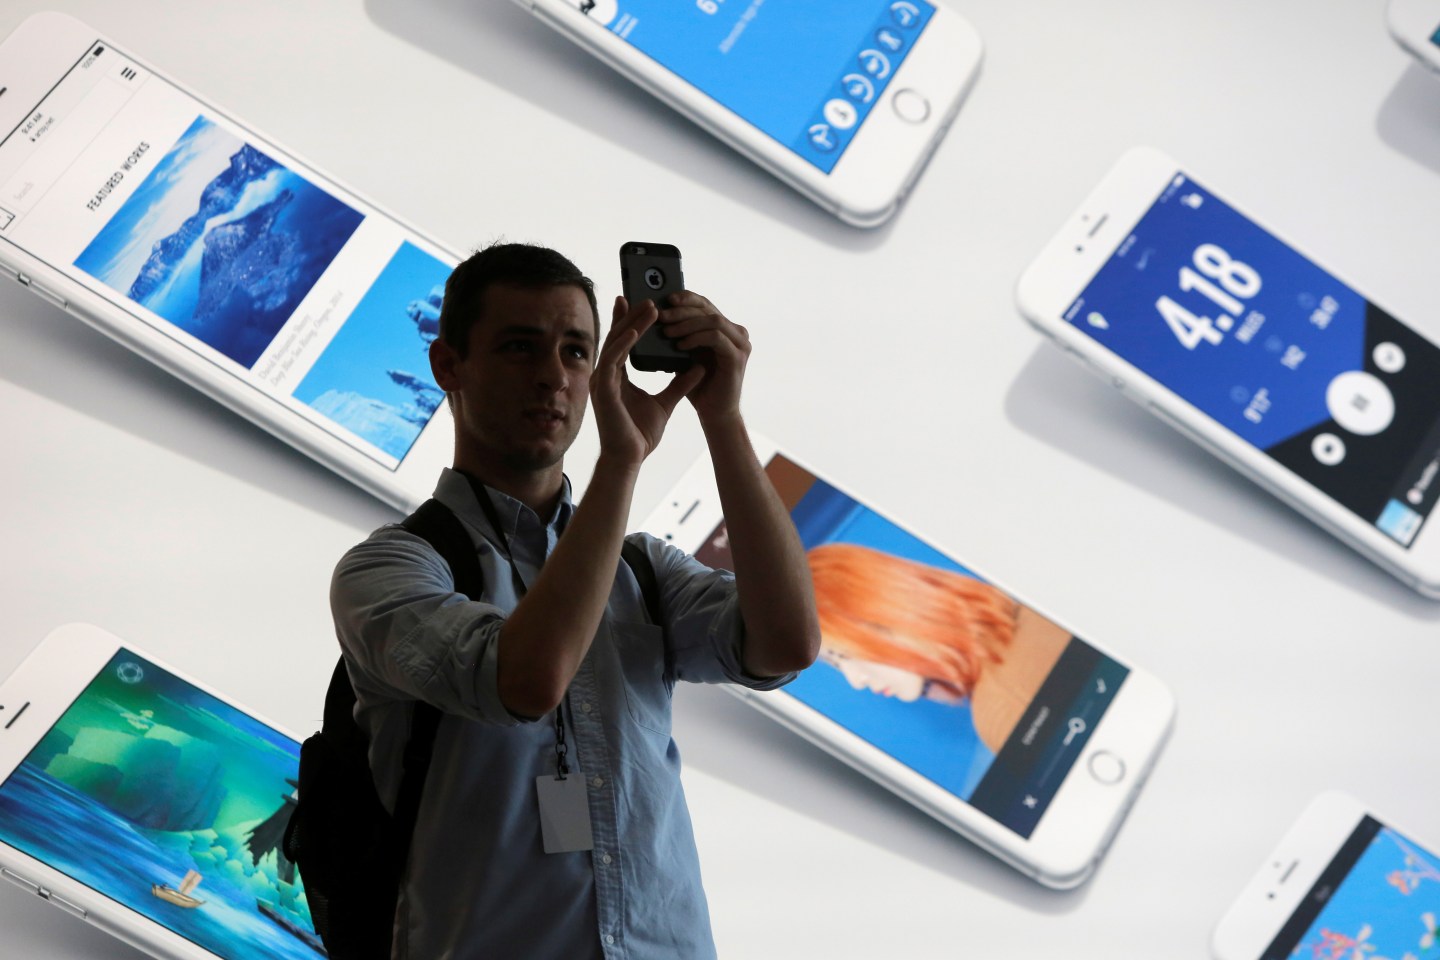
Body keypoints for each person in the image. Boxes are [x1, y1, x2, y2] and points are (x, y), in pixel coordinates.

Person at [329, 242, 820, 958]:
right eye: (520, 348)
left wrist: (723, 419)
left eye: (576, 351)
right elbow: (525, 680)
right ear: (448, 366)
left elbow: (787, 644)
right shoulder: (390, 568)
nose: (554, 378)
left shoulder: (639, 567)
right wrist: (622, 462)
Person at [805, 542, 1068, 753]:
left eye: (844, 655)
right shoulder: (1038, 604)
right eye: (836, 665)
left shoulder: (1001, 710)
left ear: (886, 616)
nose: (856, 681)